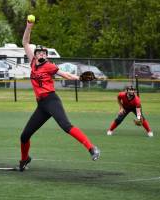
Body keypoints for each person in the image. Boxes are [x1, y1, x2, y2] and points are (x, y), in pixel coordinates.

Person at [18, 20, 100, 172]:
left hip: (51, 100)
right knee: (24, 136)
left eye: (44, 53)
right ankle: (24, 159)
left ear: (46, 56)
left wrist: (79, 78)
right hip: (42, 106)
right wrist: (29, 26)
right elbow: (25, 42)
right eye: (39, 52)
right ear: (35, 55)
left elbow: (65, 74)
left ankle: (92, 148)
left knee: (66, 126)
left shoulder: (49, 66)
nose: (41, 54)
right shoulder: (32, 63)